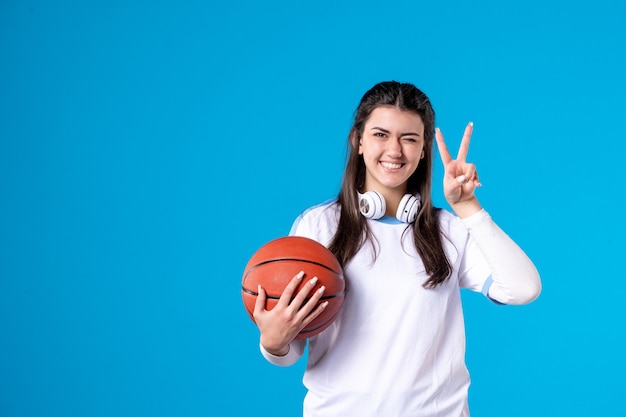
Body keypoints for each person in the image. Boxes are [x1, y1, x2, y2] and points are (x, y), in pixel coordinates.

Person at [252, 81, 541, 416]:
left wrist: (467, 207)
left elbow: (524, 289)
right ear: (357, 141)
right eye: (380, 135)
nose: (394, 150)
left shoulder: (447, 230)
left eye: (410, 139)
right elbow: (292, 348)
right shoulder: (318, 227)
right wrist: (273, 342)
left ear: (423, 151)